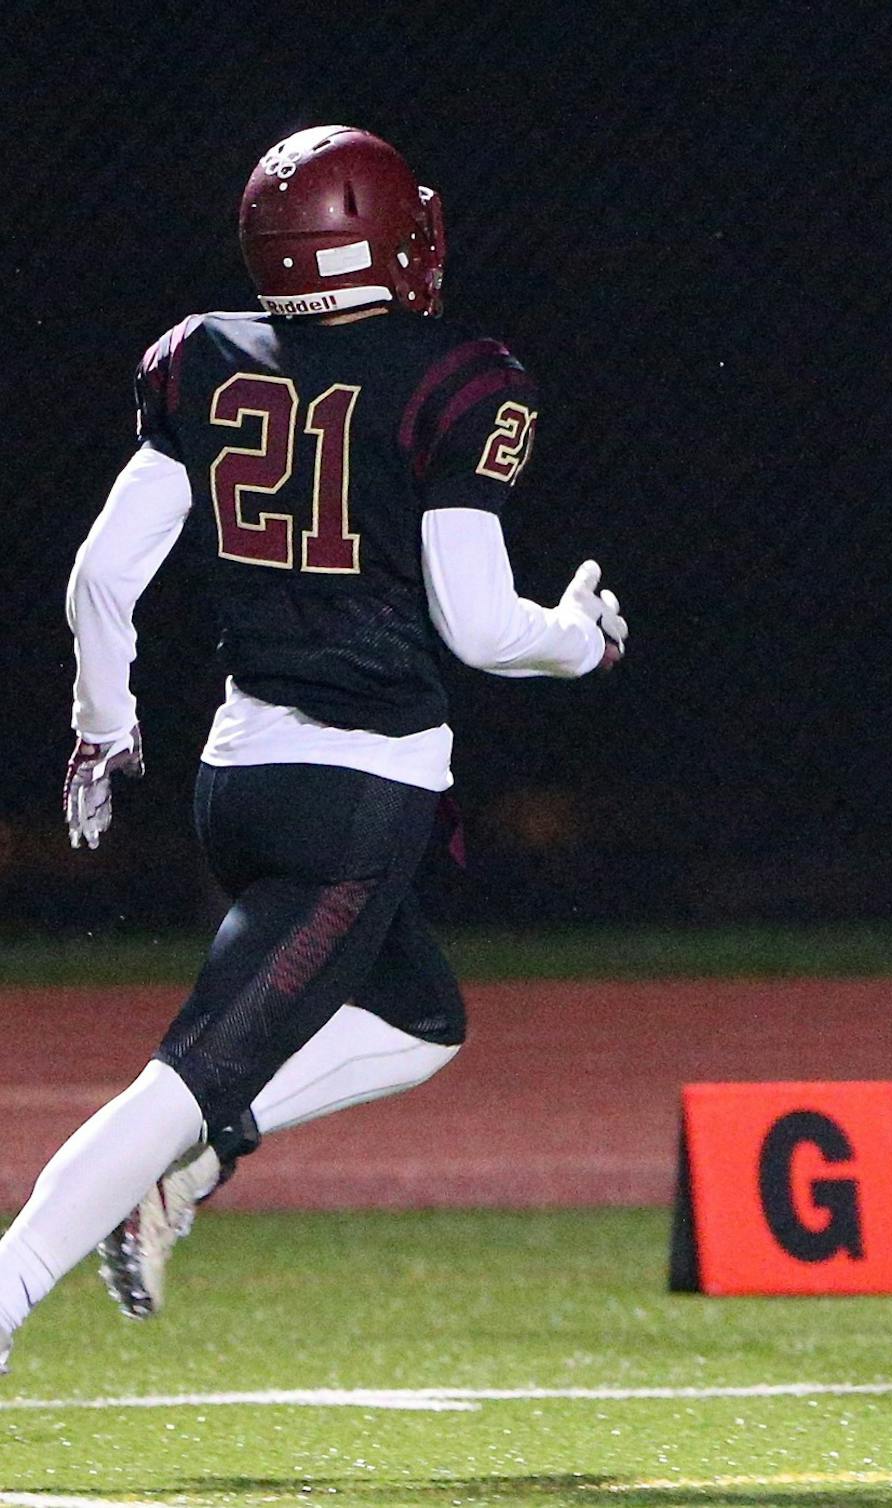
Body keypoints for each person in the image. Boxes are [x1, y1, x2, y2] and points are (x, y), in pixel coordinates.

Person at [0, 125, 627, 1373]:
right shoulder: (459, 376)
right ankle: (13, 1286)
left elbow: (101, 576)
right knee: (184, 1071)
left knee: (421, 1019)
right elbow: (480, 623)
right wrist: (582, 641)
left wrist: (104, 725)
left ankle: (208, 1145)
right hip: (357, 798)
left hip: (237, 779)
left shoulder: (205, 356)